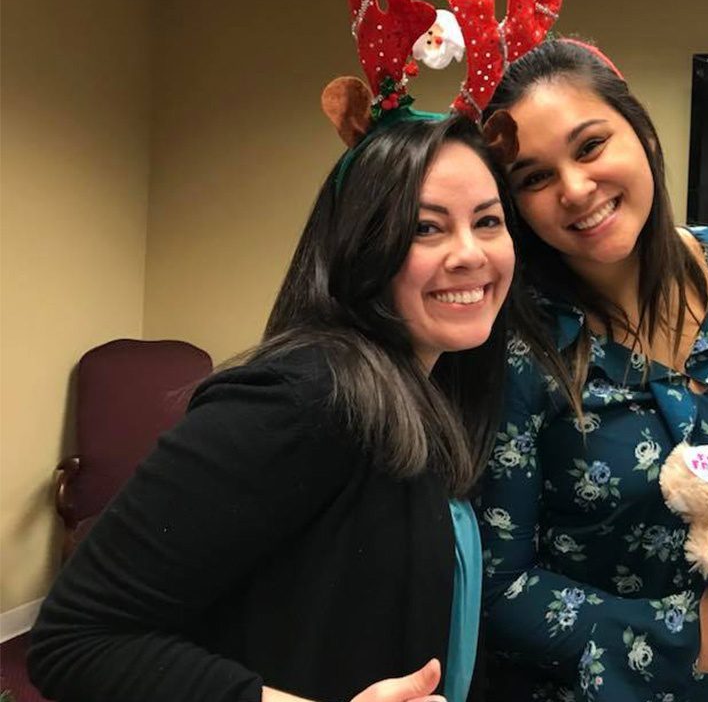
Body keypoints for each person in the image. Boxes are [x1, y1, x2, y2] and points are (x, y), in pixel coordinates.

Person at [29, 114, 517, 702]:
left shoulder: (431, 395)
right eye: (424, 228)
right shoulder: (306, 395)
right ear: (362, 247)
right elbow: (74, 639)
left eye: (488, 221)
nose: (470, 253)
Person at [475, 39, 708, 701]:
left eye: (590, 146)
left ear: (641, 131)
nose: (575, 189)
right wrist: (683, 633)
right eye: (534, 178)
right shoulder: (518, 345)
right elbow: (496, 590)